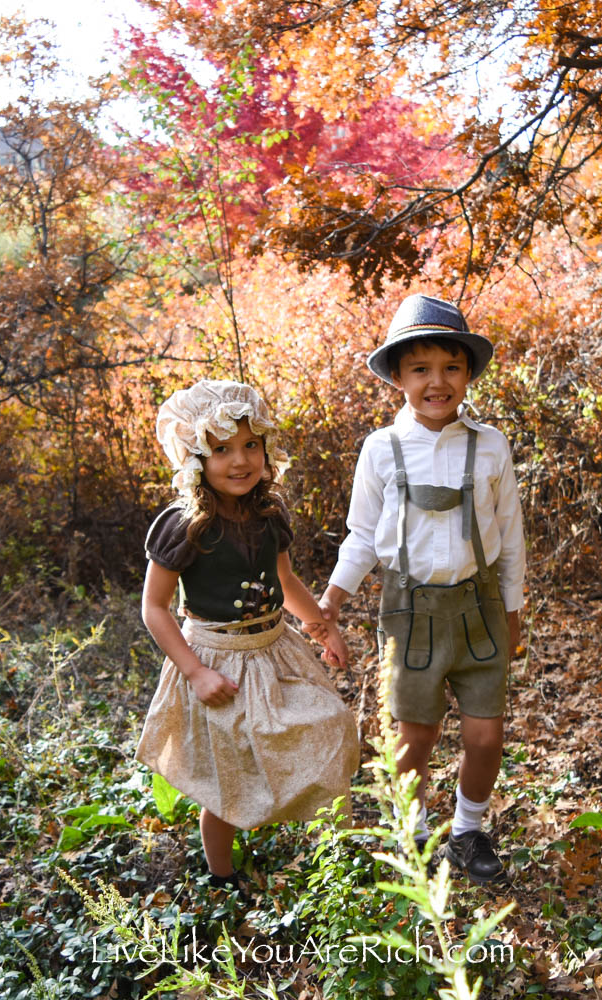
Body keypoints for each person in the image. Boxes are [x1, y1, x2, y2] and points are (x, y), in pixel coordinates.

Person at [318, 293, 525, 885]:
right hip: (409, 609)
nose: (438, 382)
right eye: (421, 369)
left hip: (480, 605)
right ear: (398, 378)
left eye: (451, 368)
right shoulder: (381, 449)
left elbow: (510, 534)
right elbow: (361, 535)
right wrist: (333, 596)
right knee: (416, 735)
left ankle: (466, 831)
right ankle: (411, 832)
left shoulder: (489, 445)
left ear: (467, 373)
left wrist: (513, 609)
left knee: (486, 735)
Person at [136, 379, 360, 892]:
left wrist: (321, 626)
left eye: (250, 446)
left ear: (266, 448)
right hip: (219, 659)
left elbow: (285, 581)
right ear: (196, 457)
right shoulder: (184, 525)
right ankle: (221, 877)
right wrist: (194, 672)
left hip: (274, 649)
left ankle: (323, 847)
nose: (239, 461)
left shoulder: (268, 513)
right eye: (221, 450)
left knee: (329, 722)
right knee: (229, 777)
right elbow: (154, 608)